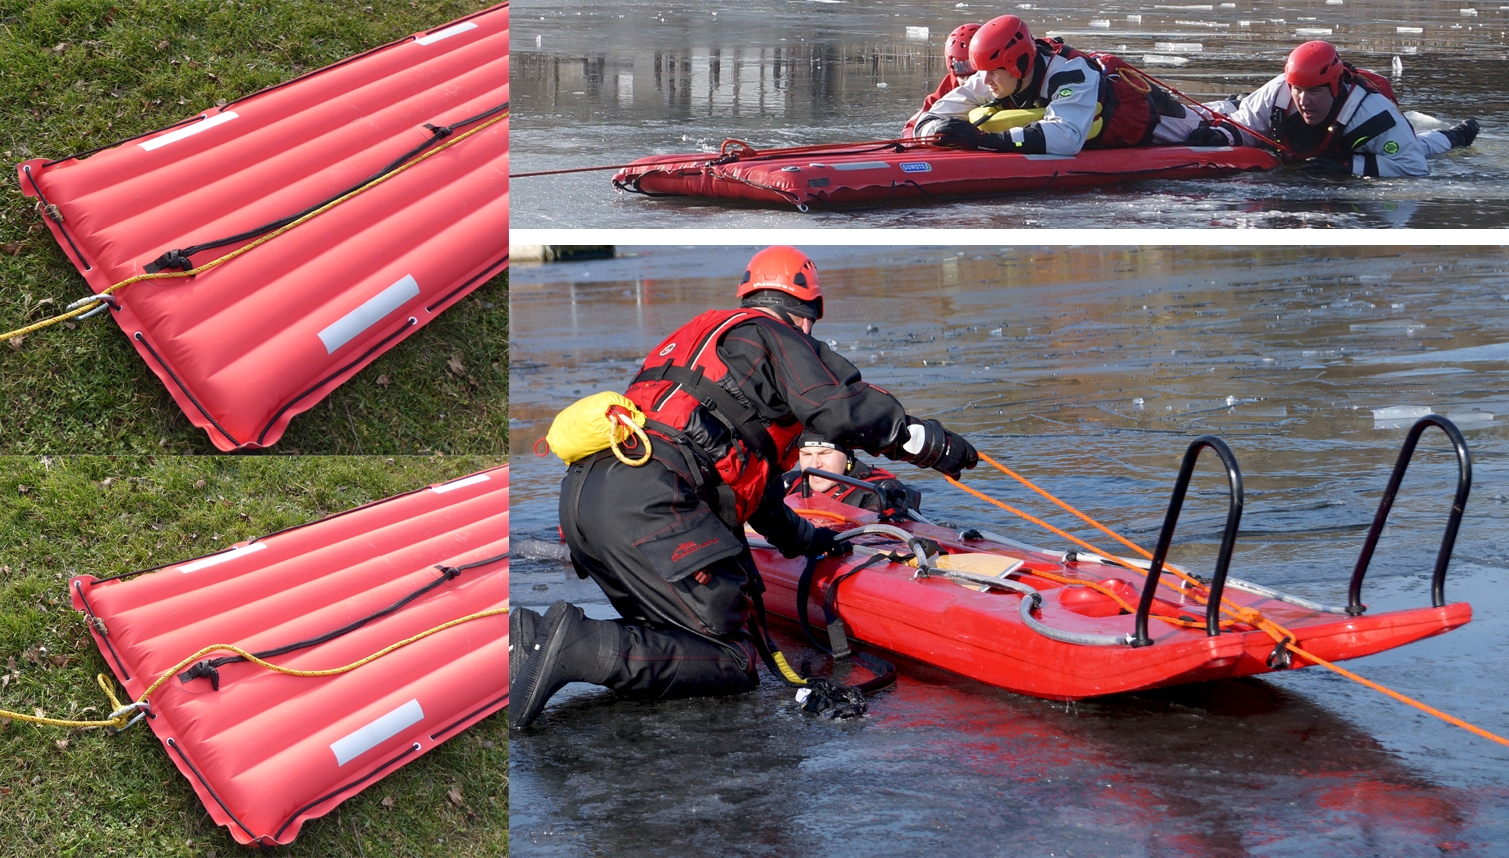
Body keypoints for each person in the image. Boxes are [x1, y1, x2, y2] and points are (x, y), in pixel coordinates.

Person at [512, 246, 979, 729]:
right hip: (649, 501)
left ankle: (535, 639)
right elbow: (840, 409)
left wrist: (807, 540)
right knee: (729, 658)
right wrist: (928, 442)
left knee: (671, 633)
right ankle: (575, 645)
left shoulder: (698, 340)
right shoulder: (775, 335)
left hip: (586, 499)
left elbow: (751, 484)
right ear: (805, 316)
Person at [909, 14, 1203, 154]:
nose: (983, 82)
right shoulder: (993, 76)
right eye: (981, 72)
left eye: (993, 72)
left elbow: (1066, 139)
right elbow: (931, 116)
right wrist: (937, 130)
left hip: (1163, 127)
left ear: (1018, 64)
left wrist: (986, 140)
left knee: (1213, 127)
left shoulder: (1070, 74)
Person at [1184, 41, 1478, 177]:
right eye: (1298, 90)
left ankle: (1458, 135)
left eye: (1314, 91)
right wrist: (1223, 136)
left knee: (1420, 146)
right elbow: (1246, 122)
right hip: (1325, 149)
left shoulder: (1375, 115)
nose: (1303, 100)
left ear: (1335, 87)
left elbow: (1413, 166)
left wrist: (1349, 168)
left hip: (1357, 150)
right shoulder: (1278, 90)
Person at [783, 431, 921, 515]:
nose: (814, 464)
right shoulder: (787, 485)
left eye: (824, 453)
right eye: (806, 454)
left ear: (847, 455)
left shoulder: (874, 495)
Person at [903, 23, 981, 138]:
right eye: (961, 71)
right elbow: (911, 127)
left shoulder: (1005, 82)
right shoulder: (950, 86)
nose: (967, 81)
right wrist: (932, 131)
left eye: (974, 69)